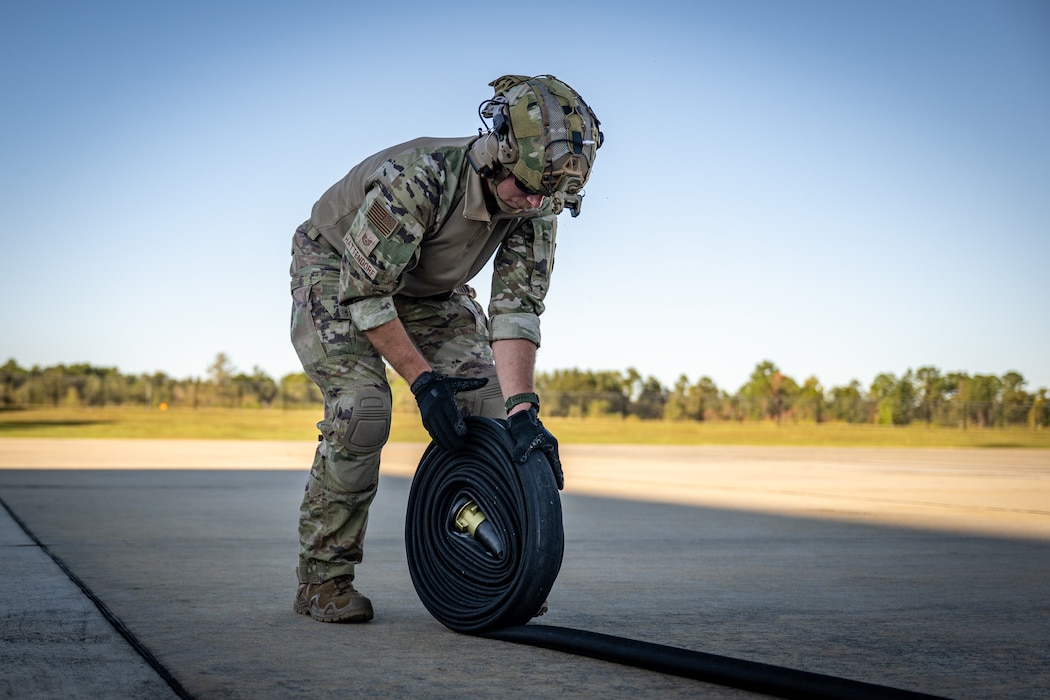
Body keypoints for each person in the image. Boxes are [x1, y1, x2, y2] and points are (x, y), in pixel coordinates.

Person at [288, 74, 603, 623]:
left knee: (490, 412)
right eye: (526, 189)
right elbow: (365, 292)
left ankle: (502, 572)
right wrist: (423, 381)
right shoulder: (419, 179)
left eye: (545, 196)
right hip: (338, 272)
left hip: (429, 291)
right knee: (362, 410)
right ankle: (322, 580)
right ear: (497, 154)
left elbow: (516, 310)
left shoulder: (538, 201)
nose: (532, 203)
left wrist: (523, 410)